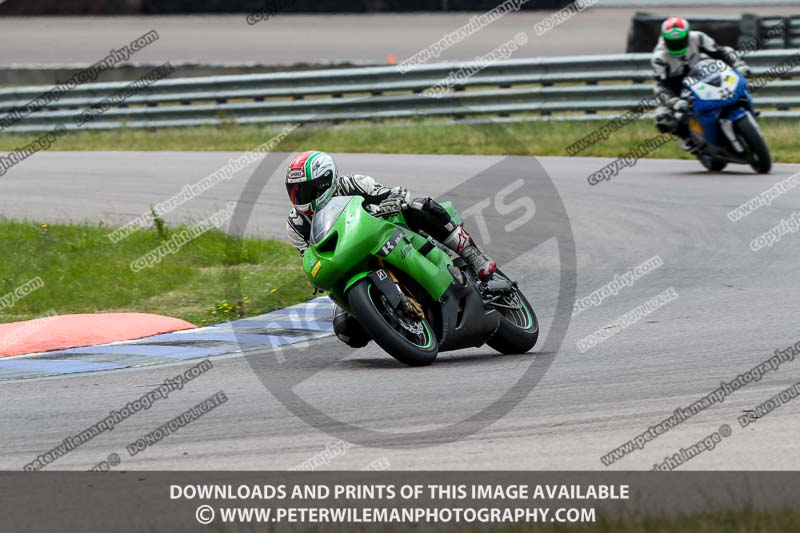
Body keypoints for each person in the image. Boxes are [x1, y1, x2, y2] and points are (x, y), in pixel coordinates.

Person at [284, 150, 496, 348]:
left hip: (387, 233)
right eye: (294, 191)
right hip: (345, 261)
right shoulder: (295, 225)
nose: (299, 197)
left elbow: (395, 193)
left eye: (305, 190)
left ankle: (472, 254)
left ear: (326, 182)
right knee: (346, 330)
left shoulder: (353, 184)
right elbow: (309, 256)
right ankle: (395, 324)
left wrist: (393, 201)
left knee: (420, 206)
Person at [651, 16, 752, 152]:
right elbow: (661, 86)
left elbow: (722, 52)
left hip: (700, 74)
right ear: (664, 39)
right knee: (663, 120)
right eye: (672, 42)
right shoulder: (659, 57)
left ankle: (744, 109)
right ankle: (686, 137)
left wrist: (738, 65)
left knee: (732, 82)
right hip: (674, 86)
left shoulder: (698, 38)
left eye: (680, 41)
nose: (677, 45)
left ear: (687, 35)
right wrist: (674, 101)